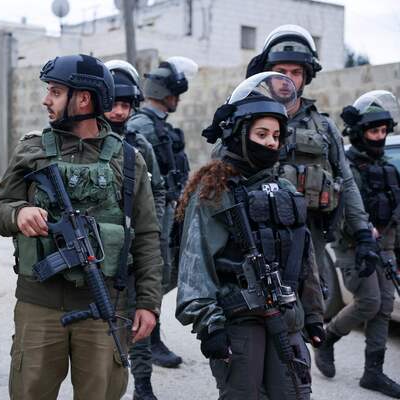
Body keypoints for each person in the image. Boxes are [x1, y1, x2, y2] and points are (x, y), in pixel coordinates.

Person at [0, 54, 163, 400]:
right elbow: (0, 210)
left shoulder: (127, 159)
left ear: (83, 99)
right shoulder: (32, 150)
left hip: (106, 305)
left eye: (55, 92)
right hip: (40, 304)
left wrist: (148, 302)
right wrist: (20, 213)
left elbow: (145, 235)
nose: (46, 100)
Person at [176, 72, 325, 400]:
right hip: (240, 323)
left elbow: (304, 256)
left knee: (294, 393)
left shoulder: (285, 189)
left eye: (276, 134)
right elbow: (195, 264)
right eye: (262, 133)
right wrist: (210, 325)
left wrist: (314, 314)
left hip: (288, 319)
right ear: (239, 134)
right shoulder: (214, 190)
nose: (272, 142)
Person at [246, 24, 378, 313]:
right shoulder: (247, 119)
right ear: (267, 73)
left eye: (296, 73)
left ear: (306, 76)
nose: (287, 80)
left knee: (305, 321)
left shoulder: (324, 127)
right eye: (281, 71)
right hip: (257, 238)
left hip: (310, 239)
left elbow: (346, 180)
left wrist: (363, 233)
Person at [314, 90, 400, 398]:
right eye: (372, 131)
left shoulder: (388, 168)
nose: (378, 137)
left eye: (382, 131)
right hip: (353, 245)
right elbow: (344, 207)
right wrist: (363, 231)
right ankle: (327, 337)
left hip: (386, 248)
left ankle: (373, 373)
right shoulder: (345, 167)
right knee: (368, 302)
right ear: (360, 132)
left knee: (384, 306)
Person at [125, 56, 198, 368]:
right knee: (155, 273)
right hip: (154, 212)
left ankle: (138, 326)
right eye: (176, 94)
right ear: (168, 94)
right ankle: (145, 337)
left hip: (170, 208)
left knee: (167, 271)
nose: (178, 100)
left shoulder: (157, 124)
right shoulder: (141, 125)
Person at [104, 59, 165, 400]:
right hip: (97, 253)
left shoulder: (140, 146)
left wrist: (150, 233)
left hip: (133, 251)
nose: (117, 112)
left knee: (138, 322)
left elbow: (158, 195)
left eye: (125, 105)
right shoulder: (84, 145)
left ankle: (142, 384)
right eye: (112, 103)